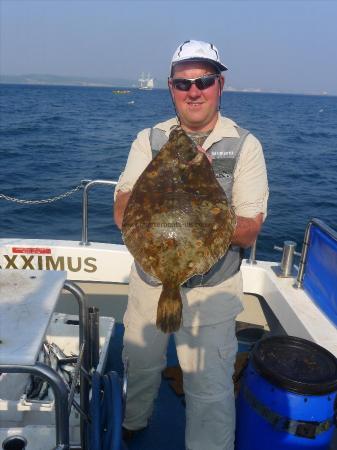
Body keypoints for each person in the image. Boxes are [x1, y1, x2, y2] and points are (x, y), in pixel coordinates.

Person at [114, 40, 268, 450]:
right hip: (151, 281)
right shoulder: (149, 140)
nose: (194, 91)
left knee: (210, 389)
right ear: (171, 88)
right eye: (184, 83)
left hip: (212, 292)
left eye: (204, 81)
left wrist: (204, 192)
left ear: (220, 86)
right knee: (141, 365)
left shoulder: (244, 145)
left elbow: (250, 230)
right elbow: (122, 209)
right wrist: (165, 179)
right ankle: (133, 422)